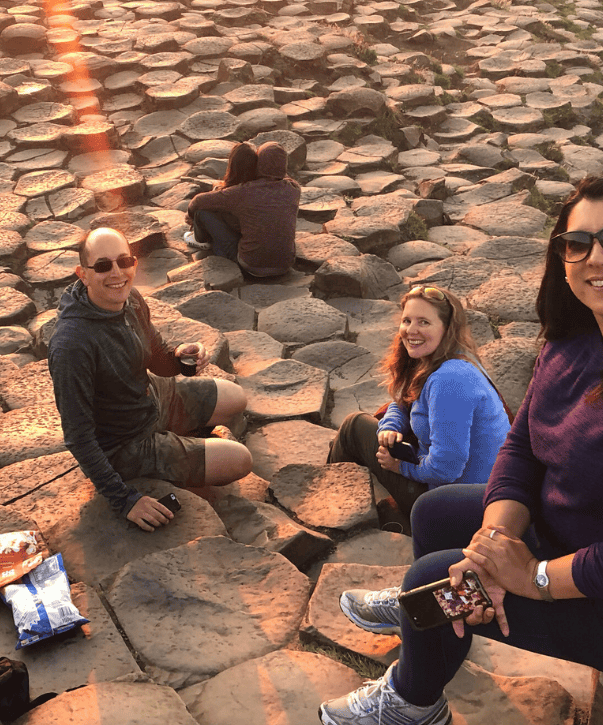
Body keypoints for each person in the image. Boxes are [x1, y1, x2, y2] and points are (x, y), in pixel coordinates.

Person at [319, 173, 603, 725]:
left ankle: (414, 701)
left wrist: (530, 578)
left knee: (435, 578)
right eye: (576, 245)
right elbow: (524, 448)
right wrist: (492, 547)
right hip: (586, 529)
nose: (595, 258)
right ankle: (430, 622)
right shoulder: (574, 340)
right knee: (437, 515)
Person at [48, 227, 252, 532]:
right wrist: (125, 500)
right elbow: (79, 437)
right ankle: (169, 451)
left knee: (237, 398)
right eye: (103, 266)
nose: (116, 272)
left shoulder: (130, 299)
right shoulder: (71, 345)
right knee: (241, 460)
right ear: (83, 274)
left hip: (150, 398)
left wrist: (182, 358)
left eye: (124, 261)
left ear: (133, 263)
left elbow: (157, 356)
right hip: (125, 443)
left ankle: (178, 433)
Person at [327, 285, 511, 519]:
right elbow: (406, 400)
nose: (411, 330)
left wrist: (399, 467)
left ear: (447, 328)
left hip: (456, 507)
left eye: (424, 322)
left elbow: (446, 469)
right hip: (475, 493)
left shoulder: (450, 379)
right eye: (407, 321)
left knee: (354, 427)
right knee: (365, 426)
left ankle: (330, 504)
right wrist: (390, 426)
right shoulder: (451, 357)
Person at [185, 141, 300, 278]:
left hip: (251, 265)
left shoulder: (244, 192)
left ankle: (201, 240)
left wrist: (190, 216)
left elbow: (198, 201)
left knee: (202, 212)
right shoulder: (293, 189)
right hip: (285, 264)